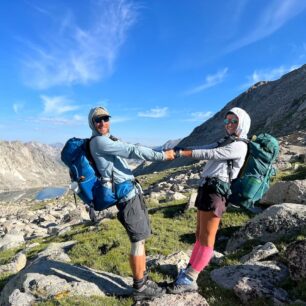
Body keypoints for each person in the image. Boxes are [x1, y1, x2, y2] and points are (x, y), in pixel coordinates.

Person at [88, 106, 175, 301]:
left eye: (105, 118)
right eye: (97, 120)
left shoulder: (107, 139)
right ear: (92, 123)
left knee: (141, 238)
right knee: (137, 240)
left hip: (131, 193)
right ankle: (139, 288)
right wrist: (162, 155)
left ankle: (143, 279)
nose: (102, 123)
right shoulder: (100, 142)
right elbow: (132, 150)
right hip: (126, 197)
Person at [168, 107, 251, 294]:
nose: (229, 124)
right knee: (199, 234)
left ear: (242, 123)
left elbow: (210, 154)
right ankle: (190, 269)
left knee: (207, 238)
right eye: (227, 121)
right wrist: (183, 149)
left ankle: (190, 278)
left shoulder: (240, 145)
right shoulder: (227, 140)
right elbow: (208, 147)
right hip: (207, 188)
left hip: (216, 192)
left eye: (234, 121)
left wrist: (183, 153)